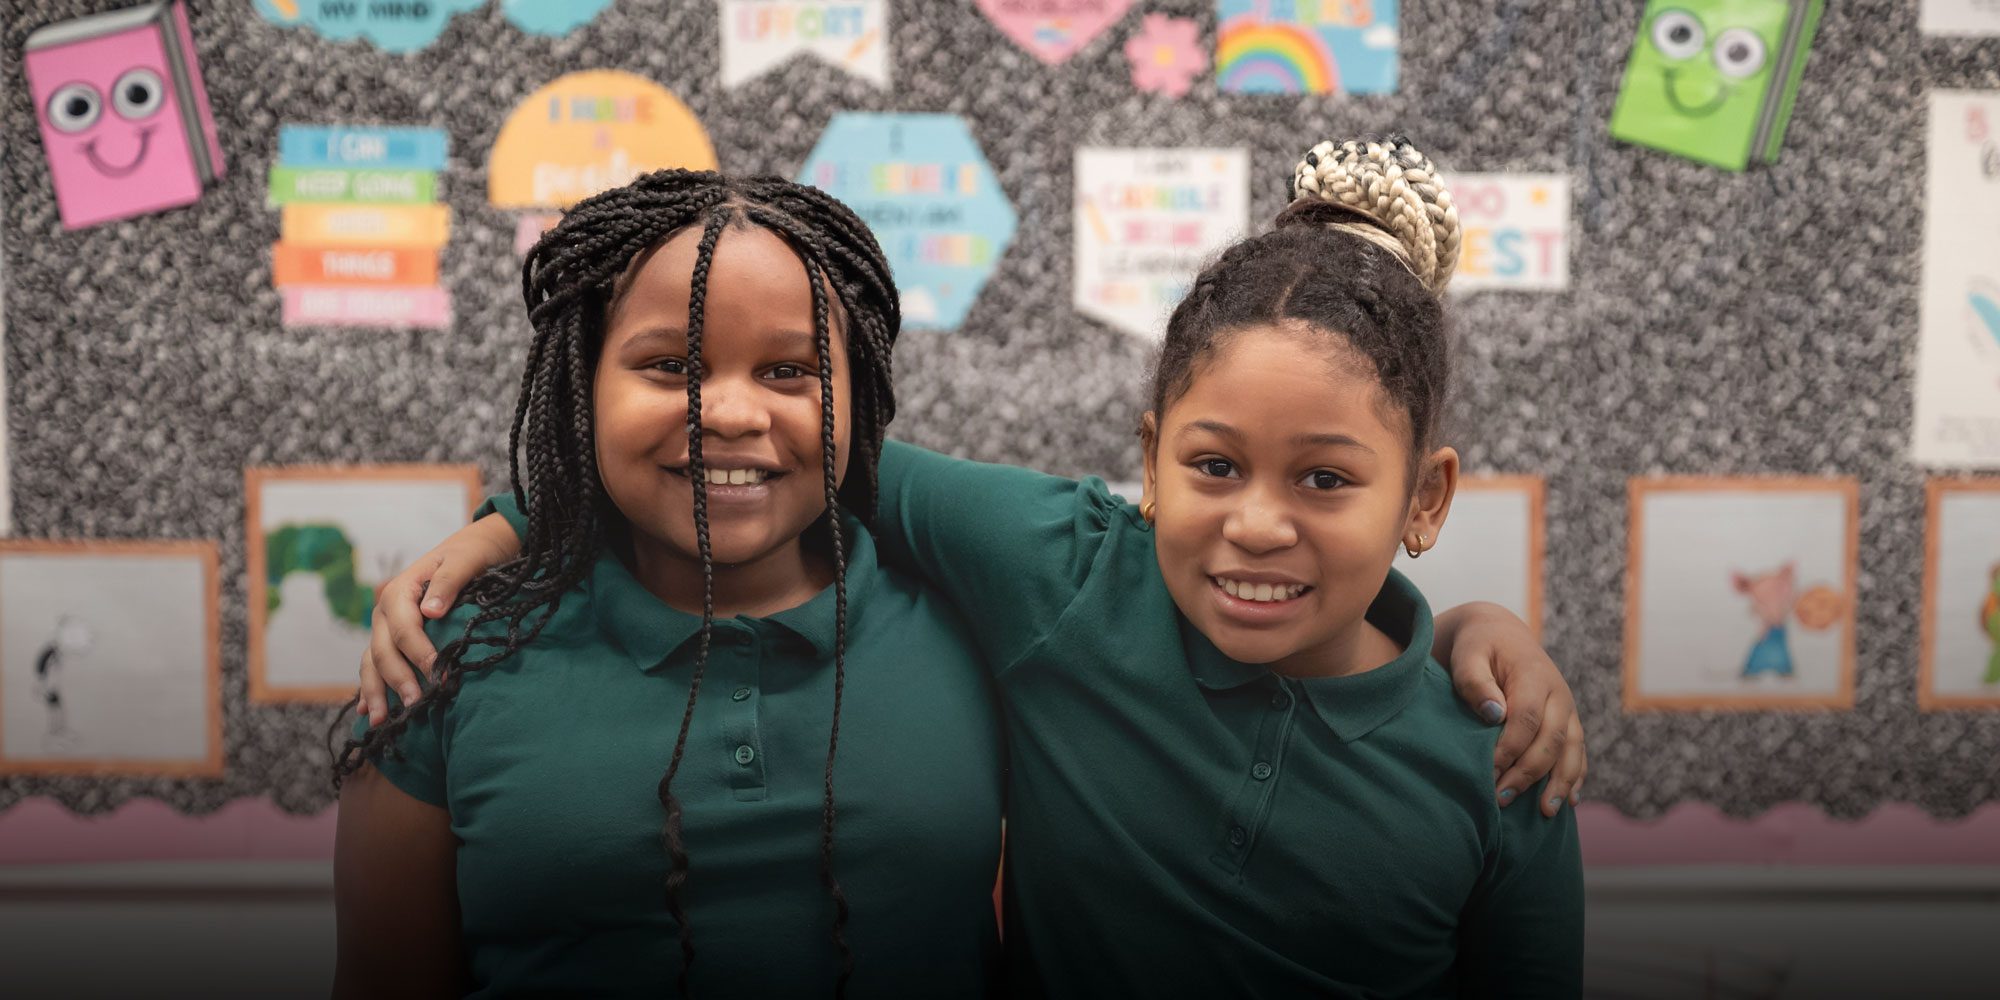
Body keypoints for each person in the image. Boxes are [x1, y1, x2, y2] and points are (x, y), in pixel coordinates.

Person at [352, 140, 1590, 996]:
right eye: (1215, 467)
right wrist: (511, 520)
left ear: (1423, 497)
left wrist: (1471, 629)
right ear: (1152, 460)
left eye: (788, 371)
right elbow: (772, 452)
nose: (1258, 525)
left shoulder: (1496, 755)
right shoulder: (1054, 579)